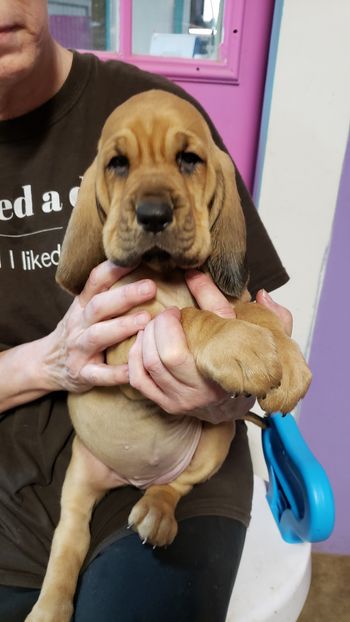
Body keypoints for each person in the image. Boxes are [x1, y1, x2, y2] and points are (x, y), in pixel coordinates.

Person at [0, 2, 291, 621]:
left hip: (185, 453)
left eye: (187, 162)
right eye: (123, 166)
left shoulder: (151, 102)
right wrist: (49, 363)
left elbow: (254, 307)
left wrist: (239, 378)